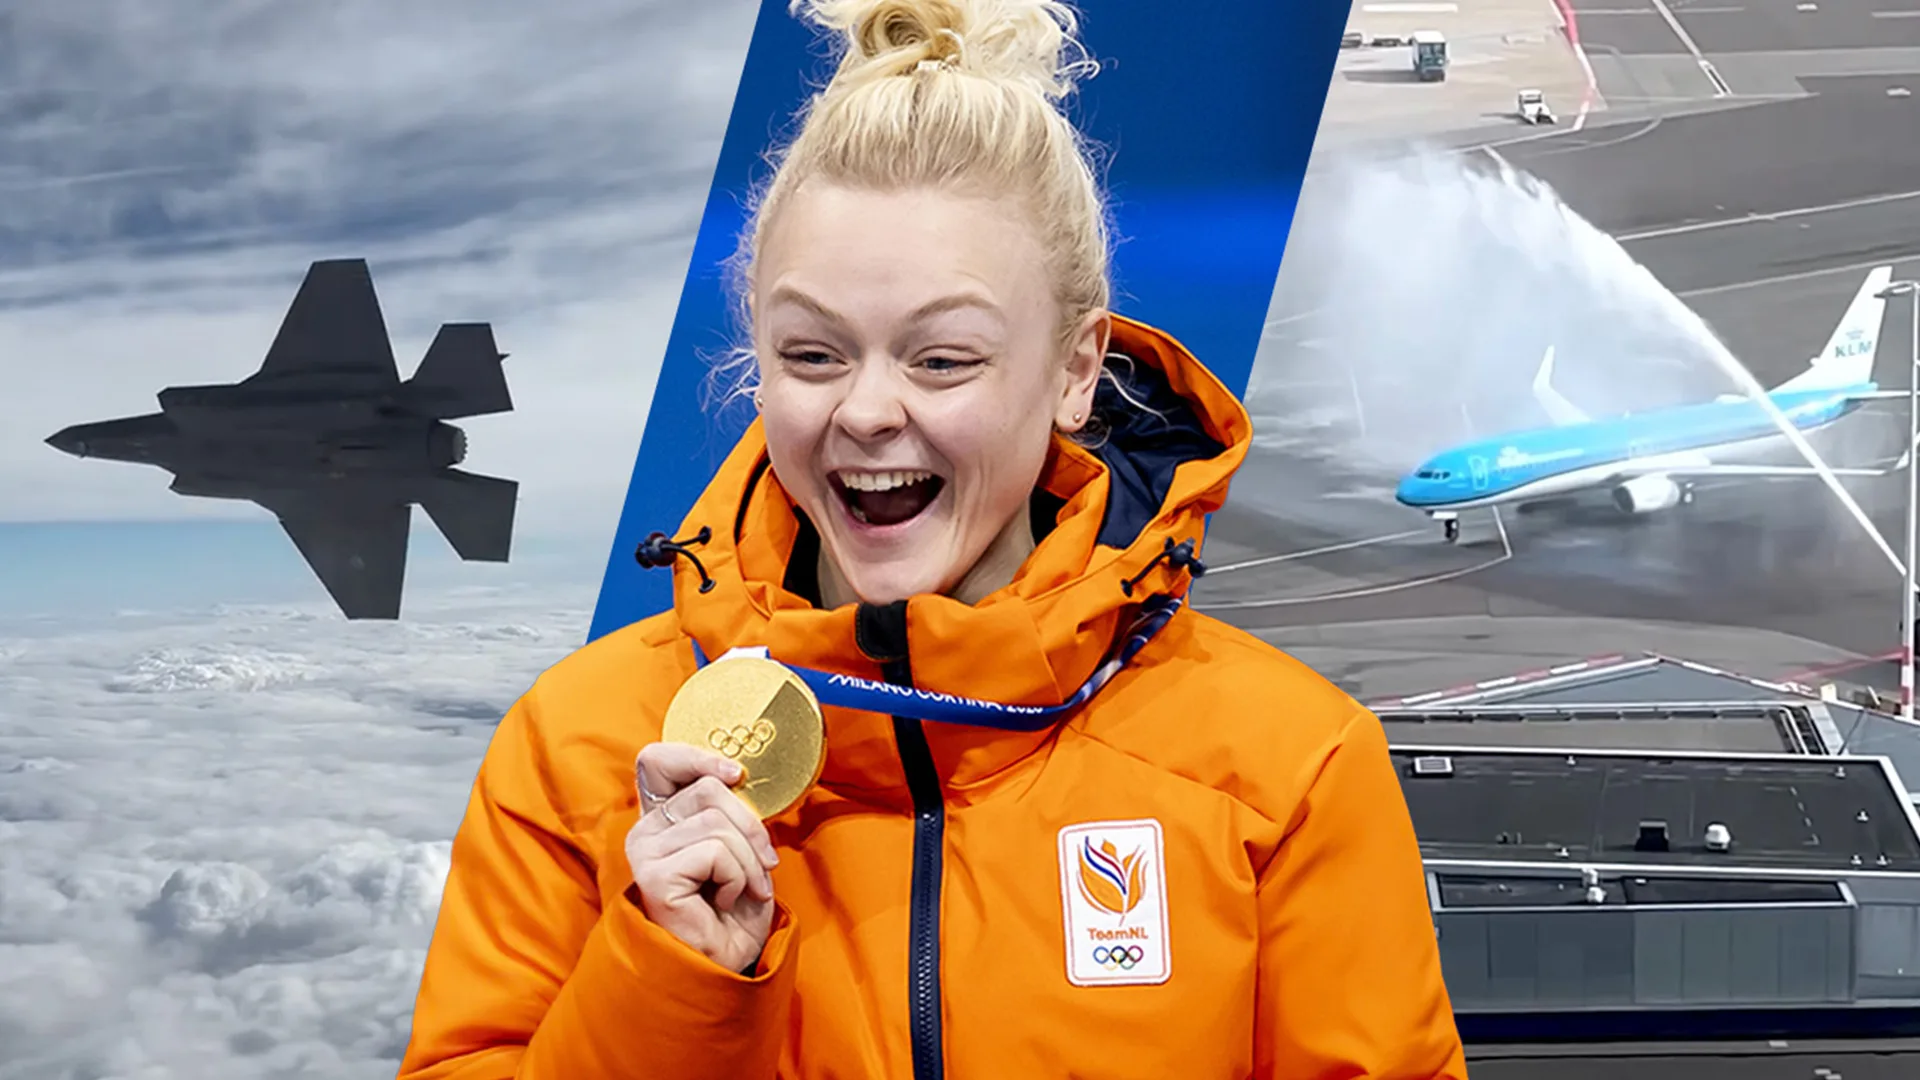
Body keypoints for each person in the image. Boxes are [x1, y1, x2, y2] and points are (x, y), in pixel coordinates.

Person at [397, 0, 1468, 1076]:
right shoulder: (577, 749)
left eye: (942, 359)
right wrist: (672, 988)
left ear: (1074, 370)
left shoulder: (1289, 770)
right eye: (814, 355)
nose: (865, 411)